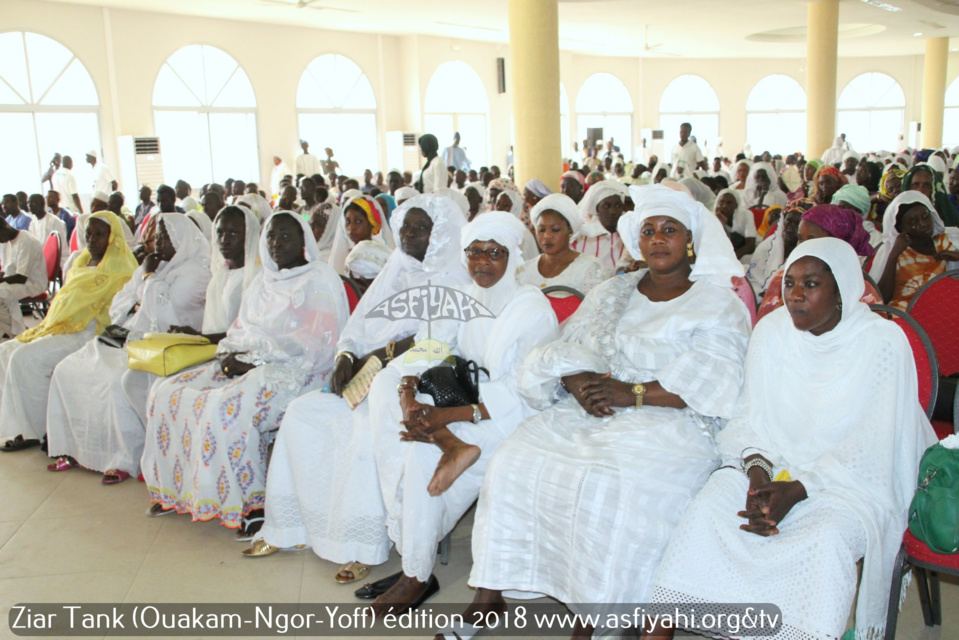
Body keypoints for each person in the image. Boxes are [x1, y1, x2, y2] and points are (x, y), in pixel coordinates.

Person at [455, 184, 749, 639]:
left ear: (690, 240)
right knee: (513, 462)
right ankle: (489, 593)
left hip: (669, 421)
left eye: (669, 230)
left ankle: (595, 619)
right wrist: (575, 381)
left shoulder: (716, 303)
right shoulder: (615, 289)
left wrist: (627, 392)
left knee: (609, 486)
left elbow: (713, 380)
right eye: (648, 230)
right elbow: (566, 343)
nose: (657, 239)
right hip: (593, 405)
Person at [648, 238, 937, 640]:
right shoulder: (772, 331)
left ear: (842, 291)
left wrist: (798, 490)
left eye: (812, 285)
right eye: (789, 284)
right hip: (772, 463)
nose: (796, 296)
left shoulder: (881, 343)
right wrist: (758, 480)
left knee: (823, 539)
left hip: (853, 481)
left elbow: (874, 445)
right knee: (708, 510)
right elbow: (750, 417)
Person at [336, 211, 561, 616]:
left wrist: (447, 415)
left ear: (512, 257)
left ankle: (416, 575)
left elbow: (527, 393)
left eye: (494, 253)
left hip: (508, 416)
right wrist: (408, 393)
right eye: (474, 252)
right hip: (460, 405)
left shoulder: (531, 309)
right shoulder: (469, 297)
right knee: (388, 382)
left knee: (420, 453)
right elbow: (431, 345)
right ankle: (417, 539)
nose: (482, 262)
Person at [246, 195, 470, 577]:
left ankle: (363, 546)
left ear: (441, 233)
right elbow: (361, 320)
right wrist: (346, 355)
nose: (410, 235)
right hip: (372, 375)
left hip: (415, 386)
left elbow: (439, 344)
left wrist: (382, 360)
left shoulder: (454, 275)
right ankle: (289, 526)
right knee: (302, 413)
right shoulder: (397, 266)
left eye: (422, 227)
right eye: (406, 226)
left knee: (362, 434)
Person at [143, 212, 348, 534]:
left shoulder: (319, 279)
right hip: (251, 360)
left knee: (224, 408)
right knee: (167, 391)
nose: (276, 243)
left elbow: (318, 341)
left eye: (285, 236)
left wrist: (254, 361)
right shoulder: (262, 281)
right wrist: (231, 354)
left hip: (301, 370)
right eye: (271, 236)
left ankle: (252, 504)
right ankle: (178, 489)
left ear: (303, 241)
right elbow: (240, 328)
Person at [46, 214, 211, 485]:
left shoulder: (195, 271)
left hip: (158, 343)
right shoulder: (155, 264)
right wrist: (143, 291)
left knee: (113, 383)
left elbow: (165, 315)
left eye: (166, 236)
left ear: (182, 238)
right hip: (127, 334)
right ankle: (76, 449)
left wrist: (147, 280)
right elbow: (119, 302)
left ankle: (122, 458)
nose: (159, 242)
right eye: (157, 236)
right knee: (67, 370)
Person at [0, 213, 136, 453]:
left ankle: (36, 430)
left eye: (99, 234)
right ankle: (12, 424)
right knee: (5, 350)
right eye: (89, 233)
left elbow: (119, 318)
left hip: (88, 331)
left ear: (112, 237)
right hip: (61, 325)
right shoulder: (82, 261)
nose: (91, 240)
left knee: (25, 359)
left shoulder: (123, 270)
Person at [756, 204, 878, 321]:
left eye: (812, 240)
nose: (802, 246)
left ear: (836, 244)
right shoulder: (781, 280)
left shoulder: (859, 290)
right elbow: (765, 327)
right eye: (800, 239)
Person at [870, 191, 959, 310]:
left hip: (940, 312)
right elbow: (881, 299)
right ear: (902, 228)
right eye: (914, 222)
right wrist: (893, 256)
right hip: (903, 315)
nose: (923, 224)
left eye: (925, 216)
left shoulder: (946, 241)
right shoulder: (892, 250)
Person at [517, 193, 610, 293]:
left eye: (555, 230)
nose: (547, 236)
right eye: (542, 230)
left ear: (570, 230)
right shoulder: (525, 270)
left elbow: (597, 306)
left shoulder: (589, 267)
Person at [746, 199, 808, 298]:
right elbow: (754, 280)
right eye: (789, 222)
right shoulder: (767, 246)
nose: (791, 229)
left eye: (797, 224)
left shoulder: (807, 252)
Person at [570, 180, 630, 274]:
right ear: (597, 209)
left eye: (618, 206)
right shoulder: (582, 238)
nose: (613, 211)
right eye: (606, 206)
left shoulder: (629, 234)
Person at [0, 216, 46, 338]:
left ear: (5, 229)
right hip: (19, 281)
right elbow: (8, 269)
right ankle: (15, 329)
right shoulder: (11, 239)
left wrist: (2, 280)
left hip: (32, 284)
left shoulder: (25, 241)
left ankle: (15, 332)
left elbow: (21, 277)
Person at [328, 194, 395, 275]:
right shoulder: (343, 254)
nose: (351, 227)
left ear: (371, 223)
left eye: (358, 221)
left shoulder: (380, 255)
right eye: (348, 221)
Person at [713, 188, 758, 260]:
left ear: (736, 205)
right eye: (721, 202)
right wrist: (720, 221)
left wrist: (732, 258)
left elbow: (750, 245)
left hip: (745, 252)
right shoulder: (712, 218)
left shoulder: (746, 214)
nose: (724, 206)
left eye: (729, 203)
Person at [27, 193, 67, 269]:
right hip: (40, 257)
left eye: (33, 203)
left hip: (56, 258)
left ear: (42, 204)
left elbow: (56, 248)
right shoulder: (33, 222)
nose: (30, 205)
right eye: (28, 203)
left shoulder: (53, 221)